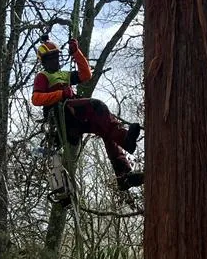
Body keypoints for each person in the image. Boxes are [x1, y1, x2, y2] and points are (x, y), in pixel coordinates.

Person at [32, 38, 144, 191]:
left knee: (106, 130)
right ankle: (125, 139)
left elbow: (86, 75)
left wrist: (76, 53)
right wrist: (60, 94)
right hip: (62, 114)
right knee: (97, 106)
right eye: (51, 59)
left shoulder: (64, 75)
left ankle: (123, 175)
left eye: (56, 57)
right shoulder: (43, 76)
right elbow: (36, 99)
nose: (55, 61)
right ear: (44, 62)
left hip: (75, 116)